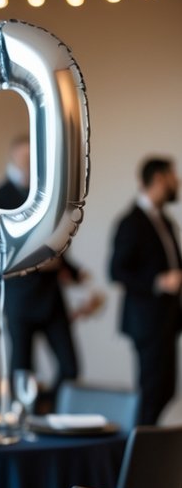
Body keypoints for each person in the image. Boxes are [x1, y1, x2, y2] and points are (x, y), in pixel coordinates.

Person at [0, 134, 84, 395]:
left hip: (51, 297)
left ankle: (48, 407)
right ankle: (24, 420)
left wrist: (71, 271)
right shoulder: (0, 195)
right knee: (22, 370)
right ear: (14, 157)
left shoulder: (46, 193)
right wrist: (38, 264)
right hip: (20, 296)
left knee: (70, 367)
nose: (29, 162)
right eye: (25, 156)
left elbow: (54, 238)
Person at [109, 156, 182, 425]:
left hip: (168, 320)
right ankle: (140, 456)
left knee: (166, 391)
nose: (178, 183)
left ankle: (147, 451)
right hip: (147, 322)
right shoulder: (132, 222)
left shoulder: (165, 221)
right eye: (174, 177)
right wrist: (158, 282)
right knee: (151, 393)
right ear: (159, 179)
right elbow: (116, 271)